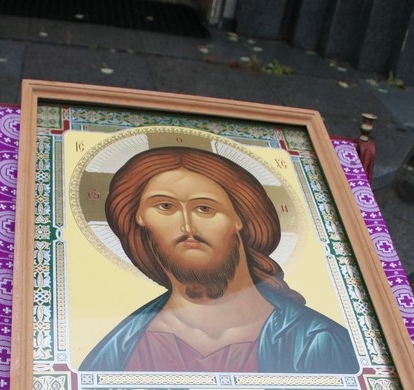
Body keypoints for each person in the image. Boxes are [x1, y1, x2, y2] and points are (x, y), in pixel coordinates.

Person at [79, 146, 358, 374]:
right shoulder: (120, 349)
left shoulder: (314, 340)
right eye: (165, 206)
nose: (187, 226)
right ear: (140, 219)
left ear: (240, 218)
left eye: (205, 208)